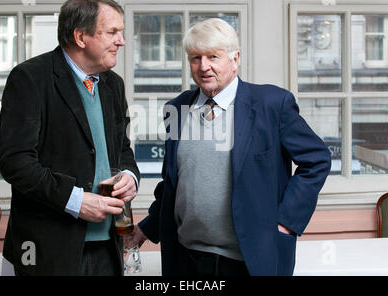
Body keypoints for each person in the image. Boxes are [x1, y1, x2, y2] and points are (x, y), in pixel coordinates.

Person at [125, 18, 331, 276]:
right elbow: (174, 183)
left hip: (250, 260)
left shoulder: (272, 104)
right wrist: (146, 228)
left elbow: (317, 160)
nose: (204, 67)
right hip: (187, 259)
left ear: (235, 59)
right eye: (195, 58)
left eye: (213, 56)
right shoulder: (177, 108)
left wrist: (287, 222)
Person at [0, 0, 140, 276]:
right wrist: (75, 201)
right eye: (112, 32)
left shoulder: (113, 84)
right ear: (80, 37)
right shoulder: (30, 78)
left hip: (108, 248)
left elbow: (122, 149)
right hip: (48, 250)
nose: (121, 41)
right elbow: (16, 163)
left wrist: (130, 176)